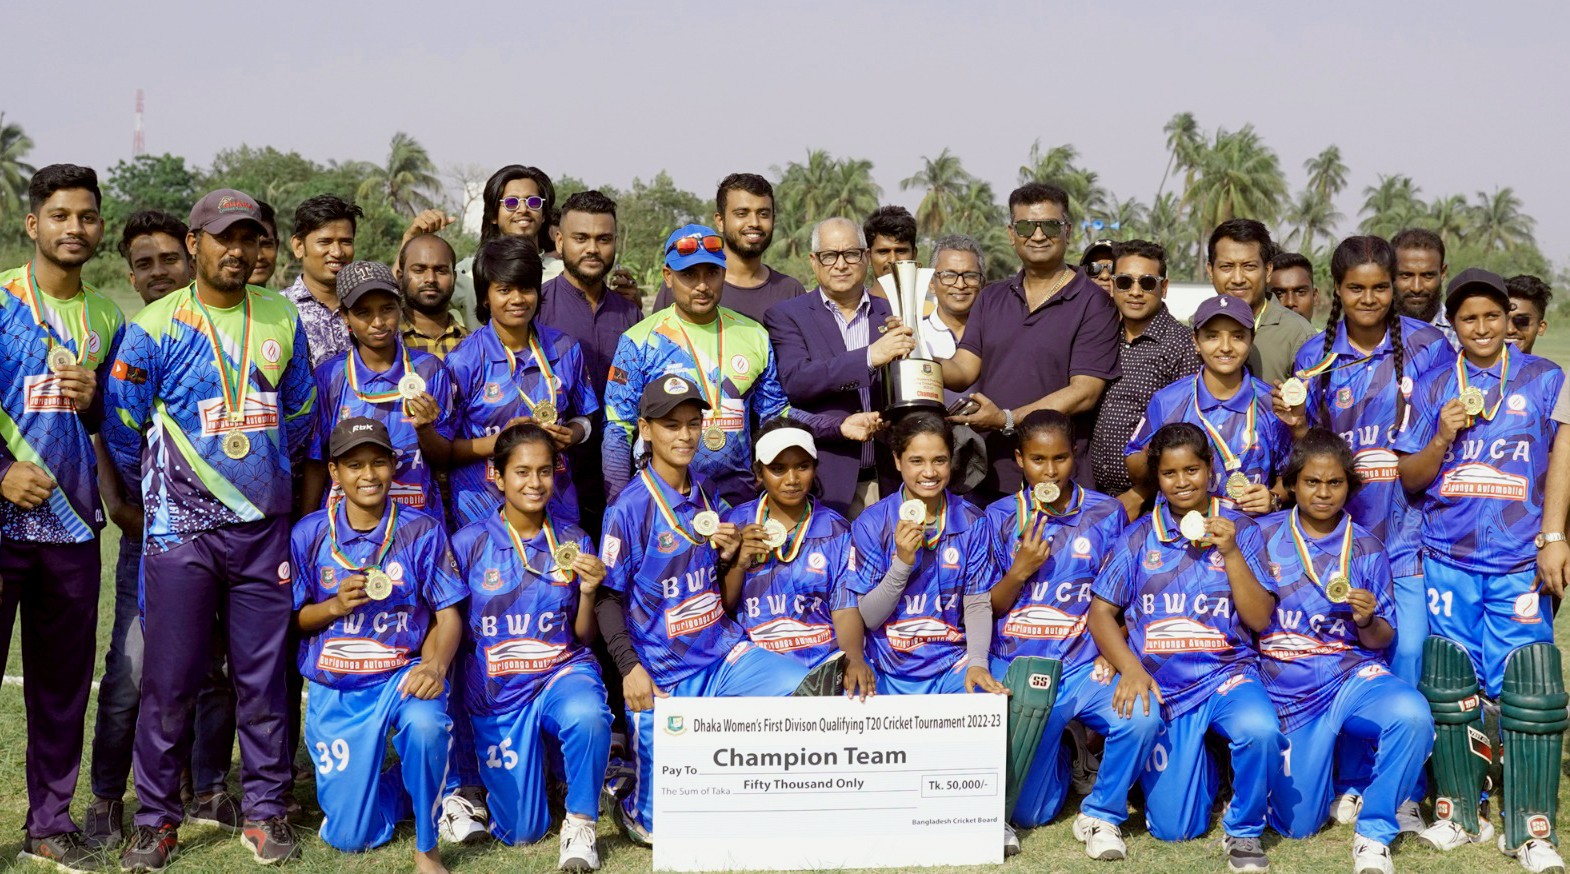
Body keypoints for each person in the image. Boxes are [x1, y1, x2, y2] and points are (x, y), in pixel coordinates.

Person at [105, 188, 317, 868]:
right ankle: (157, 820)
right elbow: (122, 431)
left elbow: (301, 416)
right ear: (195, 244)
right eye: (223, 237)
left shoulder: (283, 316)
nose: (237, 249)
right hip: (181, 536)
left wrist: (276, 489)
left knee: (263, 680)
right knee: (170, 682)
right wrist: (162, 505)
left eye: (248, 237)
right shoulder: (156, 328)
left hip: (262, 531)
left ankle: (265, 811)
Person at [1395, 268, 1566, 871]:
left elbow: (1562, 464)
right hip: (1449, 558)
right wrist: (1441, 434)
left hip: (1520, 559)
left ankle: (1530, 827)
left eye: (1494, 316)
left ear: (1510, 319)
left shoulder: (1545, 378)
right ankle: (1459, 812)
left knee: (1526, 688)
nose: (1484, 327)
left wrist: (1554, 538)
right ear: (1455, 325)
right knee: (1451, 686)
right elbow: (1410, 479)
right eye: (1469, 318)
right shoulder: (1434, 379)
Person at [595, 375, 810, 843]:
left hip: (722, 655)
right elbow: (607, 599)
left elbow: (718, 588)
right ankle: (627, 793)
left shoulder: (708, 492)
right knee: (659, 831)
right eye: (672, 425)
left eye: (694, 424)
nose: (686, 435)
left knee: (801, 694)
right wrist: (628, 668)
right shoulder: (628, 508)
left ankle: (747, 791)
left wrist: (733, 558)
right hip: (664, 671)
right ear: (646, 429)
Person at [89, 209, 241, 850]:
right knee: (132, 672)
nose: (158, 273)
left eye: (168, 260)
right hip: (148, 535)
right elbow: (105, 433)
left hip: (219, 534)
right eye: (144, 264)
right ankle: (105, 799)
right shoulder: (132, 337)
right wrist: (125, 507)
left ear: (190, 255)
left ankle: (205, 787)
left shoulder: (217, 331)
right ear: (131, 273)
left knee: (212, 669)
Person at [0, 164, 123, 869]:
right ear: (33, 224)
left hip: (73, 531)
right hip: (2, 522)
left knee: (60, 691)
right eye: (60, 215)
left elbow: (114, 424)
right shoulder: (2, 302)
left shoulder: (106, 316)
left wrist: (95, 398)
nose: (74, 228)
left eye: (86, 216)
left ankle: (49, 824)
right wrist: (1, 473)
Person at [1087, 422, 1280, 872]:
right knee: (1176, 829)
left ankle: (1245, 831)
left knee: (1262, 729)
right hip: (1163, 687)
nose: (1182, 482)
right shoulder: (1138, 536)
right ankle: (1204, 761)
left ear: (1210, 470)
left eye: (1191, 470)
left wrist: (1230, 552)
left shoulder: (1241, 530)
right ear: (1157, 478)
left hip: (1225, 675)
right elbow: (1100, 613)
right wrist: (1131, 669)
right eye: (1170, 473)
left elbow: (1259, 618)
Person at [290, 418, 465, 874]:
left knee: (425, 726)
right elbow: (294, 619)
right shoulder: (308, 534)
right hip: (339, 684)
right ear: (334, 472)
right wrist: (332, 608)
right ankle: (411, 785)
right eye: (354, 465)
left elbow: (448, 615)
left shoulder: (421, 529)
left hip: (398, 674)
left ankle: (427, 849)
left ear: (394, 465)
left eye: (378, 463)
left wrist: (435, 667)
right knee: (351, 837)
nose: (368, 475)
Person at [1274, 236, 1450, 687]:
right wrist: (1296, 427)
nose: (1368, 299)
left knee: (1407, 649)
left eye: (1380, 288)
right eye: (1356, 288)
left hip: (1407, 534)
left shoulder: (1429, 346)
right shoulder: (1316, 355)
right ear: (1337, 289)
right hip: (1340, 537)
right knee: (1346, 657)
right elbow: (1308, 452)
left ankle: (1405, 753)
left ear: (1392, 287)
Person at [1256, 430, 1433, 874]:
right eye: (1312, 482)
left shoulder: (1368, 547)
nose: (1323, 492)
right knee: (1297, 826)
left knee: (1411, 713)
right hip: (1287, 687)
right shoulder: (1259, 535)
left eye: (1334, 483)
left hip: (1347, 676)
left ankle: (1375, 832)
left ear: (1349, 487)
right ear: (1293, 483)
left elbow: (1382, 639)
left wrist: (1368, 619)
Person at [984, 411, 1157, 862]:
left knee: (1141, 714)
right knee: (1030, 814)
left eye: (1060, 458)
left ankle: (1102, 811)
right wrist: (1019, 571)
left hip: (1083, 667)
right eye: (1038, 460)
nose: (1050, 471)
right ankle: (1067, 746)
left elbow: (1124, 596)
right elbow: (989, 607)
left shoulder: (1106, 512)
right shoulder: (999, 516)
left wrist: (1113, 644)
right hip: (1020, 668)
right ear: (1019, 460)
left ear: (1074, 456)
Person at [603, 224, 872, 508]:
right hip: (663, 502)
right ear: (668, 277)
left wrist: (837, 426)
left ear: (724, 273)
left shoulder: (753, 334)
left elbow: (775, 413)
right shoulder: (638, 341)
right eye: (689, 275)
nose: (702, 285)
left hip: (738, 502)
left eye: (712, 273)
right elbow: (618, 429)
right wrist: (618, 505)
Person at [454, 423, 611, 869]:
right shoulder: (469, 543)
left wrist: (587, 592)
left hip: (561, 672)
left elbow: (584, 637)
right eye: (522, 472)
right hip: (500, 692)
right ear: (497, 476)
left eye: (545, 471)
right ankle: (537, 770)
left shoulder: (575, 539)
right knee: (522, 832)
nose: (535, 483)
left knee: (588, 714)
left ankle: (581, 823)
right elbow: (459, 637)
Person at [941, 182, 1121, 500]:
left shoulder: (1093, 301)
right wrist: (913, 361)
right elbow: (963, 369)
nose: (1038, 235)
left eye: (1049, 225)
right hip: (991, 475)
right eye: (1026, 226)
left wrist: (1007, 419)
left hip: (1061, 480)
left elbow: (1084, 393)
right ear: (1012, 234)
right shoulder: (991, 296)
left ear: (1067, 231)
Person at [442, 236, 597, 529]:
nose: (517, 299)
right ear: (485, 296)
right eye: (504, 290)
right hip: (482, 512)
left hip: (555, 508)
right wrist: (497, 443)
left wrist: (573, 434)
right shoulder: (463, 361)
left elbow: (586, 416)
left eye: (526, 288)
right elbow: (443, 448)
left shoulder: (565, 349)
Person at [847, 412, 1006, 695]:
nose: (930, 472)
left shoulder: (973, 521)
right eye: (917, 461)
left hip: (951, 664)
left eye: (939, 460)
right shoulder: (872, 523)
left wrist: (978, 663)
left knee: (1010, 688)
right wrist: (902, 564)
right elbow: (869, 617)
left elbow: (977, 603)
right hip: (887, 667)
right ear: (897, 460)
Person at [764, 217, 907, 516]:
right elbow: (796, 381)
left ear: (866, 257)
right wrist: (868, 358)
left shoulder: (894, 311)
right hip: (827, 482)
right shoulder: (788, 315)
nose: (841, 264)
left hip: (891, 478)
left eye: (851, 254)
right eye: (830, 256)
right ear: (814, 262)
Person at [720, 419, 871, 690]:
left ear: (814, 468)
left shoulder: (836, 530)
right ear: (759, 472)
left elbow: (844, 606)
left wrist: (853, 658)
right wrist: (739, 564)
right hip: (757, 665)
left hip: (822, 662)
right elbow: (724, 607)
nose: (792, 479)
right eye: (778, 469)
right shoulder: (736, 522)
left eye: (802, 466)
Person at [300, 260, 451, 519]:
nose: (378, 322)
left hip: (415, 520)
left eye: (387, 309)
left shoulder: (429, 371)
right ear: (345, 317)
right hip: (344, 522)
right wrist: (306, 525)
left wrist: (425, 429)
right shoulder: (330, 376)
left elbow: (444, 458)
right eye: (363, 312)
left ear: (400, 309)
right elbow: (317, 459)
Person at [1124, 295, 1291, 517]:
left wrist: (1273, 497)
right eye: (1212, 337)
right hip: (1180, 535)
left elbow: (1289, 476)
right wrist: (1153, 450)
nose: (1225, 347)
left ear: (1251, 340)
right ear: (1195, 341)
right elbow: (1135, 466)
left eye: (1237, 336)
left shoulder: (1271, 403)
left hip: (1248, 535)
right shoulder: (1167, 401)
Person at [1089, 239, 1199, 508]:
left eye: (1147, 283)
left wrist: (1141, 493)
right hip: (1092, 493)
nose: (1135, 291)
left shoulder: (1181, 345)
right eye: (1125, 282)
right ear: (1113, 284)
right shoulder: (1098, 335)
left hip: (1150, 501)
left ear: (1164, 287)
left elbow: (1185, 435)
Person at [651, 173, 805, 323]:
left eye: (763, 214)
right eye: (742, 214)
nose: (754, 223)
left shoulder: (791, 291)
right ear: (720, 221)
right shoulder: (683, 285)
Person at [538, 190, 642, 400]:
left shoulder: (631, 314)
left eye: (603, 239)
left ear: (615, 242)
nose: (592, 249)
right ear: (560, 241)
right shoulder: (537, 307)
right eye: (581, 238)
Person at [1206, 218, 1314, 384]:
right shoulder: (1197, 328)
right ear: (1210, 271)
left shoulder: (1298, 335)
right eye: (1226, 267)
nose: (1237, 279)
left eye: (1249, 266)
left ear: (1268, 270)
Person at [283, 194, 361, 368]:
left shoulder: (368, 306)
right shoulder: (279, 310)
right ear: (298, 246)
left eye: (346, 242)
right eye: (325, 242)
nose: (337, 252)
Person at [397, 233, 468, 360]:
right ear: (400, 278)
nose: (430, 279)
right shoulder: (386, 339)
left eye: (441, 270)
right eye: (419, 270)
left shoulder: (473, 344)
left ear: (454, 278)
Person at [1391, 227, 1457, 349]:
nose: (1417, 288)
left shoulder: (1463, 336)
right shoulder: (1374, 335)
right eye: (1406, 275)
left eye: (1427, 275)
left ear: (1442, 273)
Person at [863, 205, 919, 290]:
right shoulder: (858, 303)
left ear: (914, 255)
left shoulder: (925, 303)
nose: (893, 260)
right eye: (883, 252)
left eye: (901, 251)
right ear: (868, 257)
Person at [1506, 274, 1552, 355]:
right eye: (1503, 320)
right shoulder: (1476, 367)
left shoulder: (1547, 368)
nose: (1510, 330)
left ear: (1541, 327)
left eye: (1522, 321)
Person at [1268, 251, 1319, 322]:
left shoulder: (1330, 333)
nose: (1290, 303)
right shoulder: (1252, 333)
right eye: (1279, 294)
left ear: (1314, 297)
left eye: (1301, 292)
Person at [248, 200, 279, 287]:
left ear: (276, 246)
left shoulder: (283, 300)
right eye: (249, 244)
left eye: (266, 245)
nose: (259, 257)